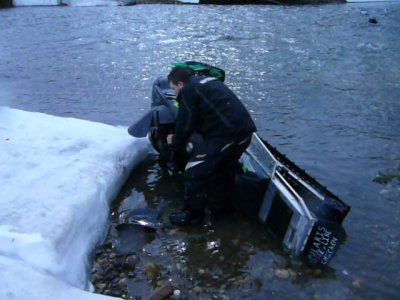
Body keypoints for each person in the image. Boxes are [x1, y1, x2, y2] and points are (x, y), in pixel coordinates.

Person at [166, 66, 257, 226]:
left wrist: (174, 141)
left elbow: (185, 123)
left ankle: (193, 216)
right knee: (222, 170)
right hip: (245, 132)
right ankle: (221, 210)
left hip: (228, 136)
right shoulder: (206, 82)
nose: (175, 92)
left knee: (194, 170)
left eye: (174, 88)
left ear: (180, 84)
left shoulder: (188, 91)